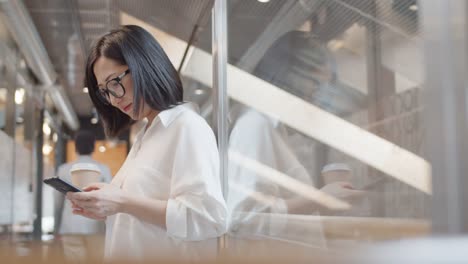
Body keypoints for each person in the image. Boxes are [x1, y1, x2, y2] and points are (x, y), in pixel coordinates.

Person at [67, 25, 227, 260]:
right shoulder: (146, 134)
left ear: (143, 65)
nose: (113, 98)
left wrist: (122, 203)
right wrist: (108, 209)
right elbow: (145, 214)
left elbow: (208, 219)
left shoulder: (187, 127)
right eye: (105, 91)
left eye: (114, 82)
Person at [54, 130, 112, 260]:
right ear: (93, 147)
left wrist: (56, 227)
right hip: (96, 225)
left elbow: (57, 201)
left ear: (76, 147)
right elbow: (109, 199)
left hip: (70, 226)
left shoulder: (63, 169)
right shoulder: (104, 169)